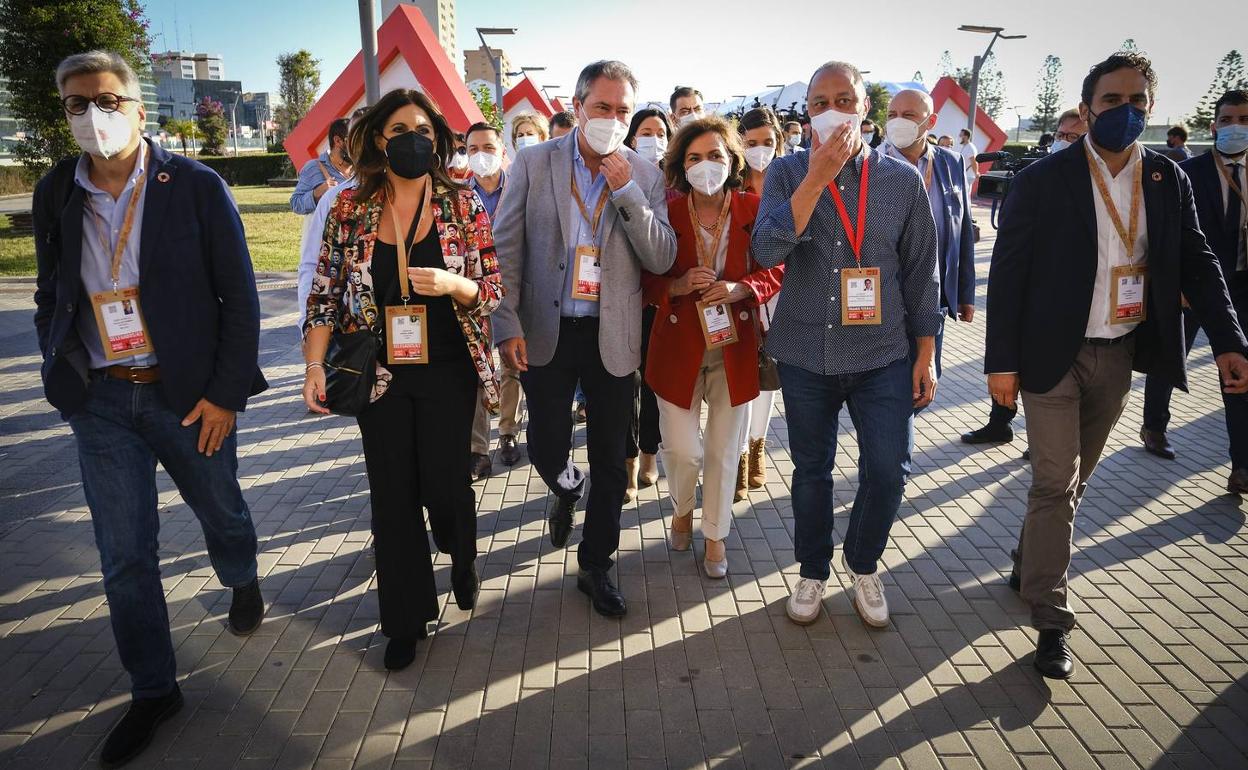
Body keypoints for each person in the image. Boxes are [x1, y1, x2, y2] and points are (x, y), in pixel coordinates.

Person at [33, 51, 267, 767]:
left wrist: (225, 394)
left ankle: (241, 575)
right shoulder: (55, 190)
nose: (92, 116)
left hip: (187, 395)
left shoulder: (193, 184)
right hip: (102, 402)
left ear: (138, 109)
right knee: (124, 558)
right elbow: (52, 288)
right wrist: (58, 361)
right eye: (76, 104)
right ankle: (154, 690)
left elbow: (241, 295)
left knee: (220, 509)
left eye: (105, 100)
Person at [984, 54, 1248, 680]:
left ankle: (1029, 560)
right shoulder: (1046, 179)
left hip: (1122, 353)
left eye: (1137, 100)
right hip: (1053, 355)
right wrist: (1000, 365)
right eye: (1111, 101)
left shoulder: (1166, 178)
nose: (1125, 111)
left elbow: (1196, 257)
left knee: (1072, 484)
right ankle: (1051, 620)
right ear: (1087, 109)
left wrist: (1231, 340)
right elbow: (1010, 272)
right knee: (1054, 480)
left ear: (1151, 109)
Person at [302, 88, 504, 672]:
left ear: (437, 139)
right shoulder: (348, 207)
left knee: (444, 487)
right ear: (376, 139)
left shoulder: (463, 205)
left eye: (421, 128)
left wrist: (453, 285)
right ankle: (404, 618)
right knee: (392, 496)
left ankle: (461, 553)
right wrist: (314, 366)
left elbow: (491, 289)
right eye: (397, 128)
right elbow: (324, 292)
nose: (410, 137)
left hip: (447, 368)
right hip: (379, 372)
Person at [752, 61, 941, 629]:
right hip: (807, 351)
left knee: (888, 468)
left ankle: (863, 562)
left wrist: (926, 352)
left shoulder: (900, 179)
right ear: (807, 112)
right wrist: (815, 179)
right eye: (817, 101)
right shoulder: (786, 174)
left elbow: (920, 270)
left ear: (865, 108)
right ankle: (813, 569)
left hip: (883, 351)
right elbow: (765, 250)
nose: (830, 109)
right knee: (812, 471)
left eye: (843, 98)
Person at [491, 60, 677, 617]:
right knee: (546, 446)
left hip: (613, 333)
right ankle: (566, 489)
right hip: (546, 331)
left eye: (623, 110)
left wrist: (627, 193)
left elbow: (661, 256)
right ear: (578, 107)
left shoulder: (644, 176)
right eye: (603, 107)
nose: (613, 119)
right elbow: (506, 249)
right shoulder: (534, 162)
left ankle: (597, 565)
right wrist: (506, 323)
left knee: (611, 463)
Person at [645, 116, 785, 577]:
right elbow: (642, 277)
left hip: (735, 347)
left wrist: (742, 288)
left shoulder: (754, 207)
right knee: (684, 451)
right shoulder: (663, 209)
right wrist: (678, 285)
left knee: (725, 450)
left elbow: (779, 269)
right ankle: (682, 507)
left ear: (732, 161)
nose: (706, 166)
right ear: (680, 166)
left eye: (715, 156)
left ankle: (716, 536)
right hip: (676, 347)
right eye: (694, 158)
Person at [962, 107, 1088, 445]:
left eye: (1074, 138)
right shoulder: (1037, 178)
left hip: (1063, 296)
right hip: (1026, 289)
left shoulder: (1091, 184)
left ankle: (1042, 439)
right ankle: (1000, 421)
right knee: (1009, 360)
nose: (1065, 142)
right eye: (1061, 135)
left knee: (1049, 373)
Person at [1141, 91, 1248, 481]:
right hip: (1191, 286)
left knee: (1237, 364)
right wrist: (1175, 282)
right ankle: (1154, 426)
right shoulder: (1189, 172)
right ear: (1214, 124)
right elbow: (1170, 233)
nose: (1237, 126)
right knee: (1171, 358)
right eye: (1229, 118)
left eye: (1245, 119)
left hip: (1239, 289)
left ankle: (1241, 463)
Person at [882, 89, 975, 385]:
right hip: (884, 300)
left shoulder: (951, 163)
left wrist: (965, 292)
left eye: (908, 115)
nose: (898, 122)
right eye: (892, 115)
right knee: (888, 389)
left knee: (923, 382)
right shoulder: (872, 165)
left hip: (933, 299)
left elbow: (962, 231)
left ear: (930, 121)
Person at [621, 107, 676, 497]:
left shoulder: (677, 183)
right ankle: (625, 462)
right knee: (624, 386)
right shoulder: (621, 175)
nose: (651, 139)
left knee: (654, 384)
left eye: (659, 132)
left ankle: (649, 454)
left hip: (662, 302)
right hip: (622, 300)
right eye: (644, 131)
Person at [463, 121, 523, 477]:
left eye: (488, 148)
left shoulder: (520, 189)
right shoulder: (460, 196)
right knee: (477, 369)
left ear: (503, 152)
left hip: (514, 291)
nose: (481, 156)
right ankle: (477, 448)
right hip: (475, 295)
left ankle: (508, 432)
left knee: (512, 366)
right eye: (473, 150)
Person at [737, 107, 787, 492]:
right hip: (736, 294)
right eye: (751, 143)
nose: (760, 150)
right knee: (736, 378)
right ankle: (735, 454)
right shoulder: (729, 183)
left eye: (767, 143)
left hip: (778, 295)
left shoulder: (789, 183)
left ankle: (757, 447)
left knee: (767, 377)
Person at [290, 117, 353, 214]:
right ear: (338, 141)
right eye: (354, 139)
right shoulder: (314, 167)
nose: (360, 145)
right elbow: (295, 204)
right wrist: (317, 193)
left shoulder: (363, 168)